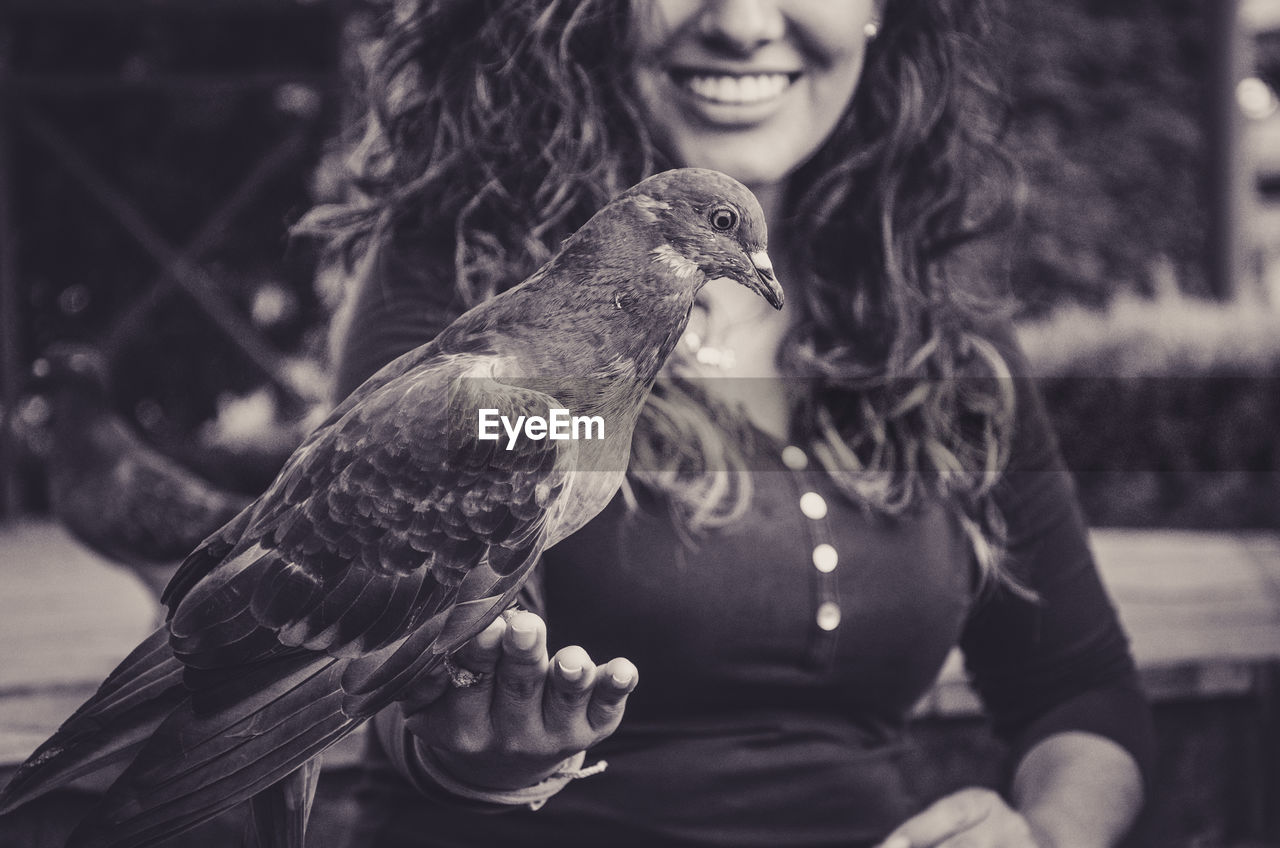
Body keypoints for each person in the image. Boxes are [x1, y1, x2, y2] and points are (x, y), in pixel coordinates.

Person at [301, 1, 1155, 845]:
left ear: (883, 13)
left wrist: (1043, 836)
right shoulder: (473, 295)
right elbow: (392, 659)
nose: (742, 22)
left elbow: (1078, 689)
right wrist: (479, 752)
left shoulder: (937, 333)